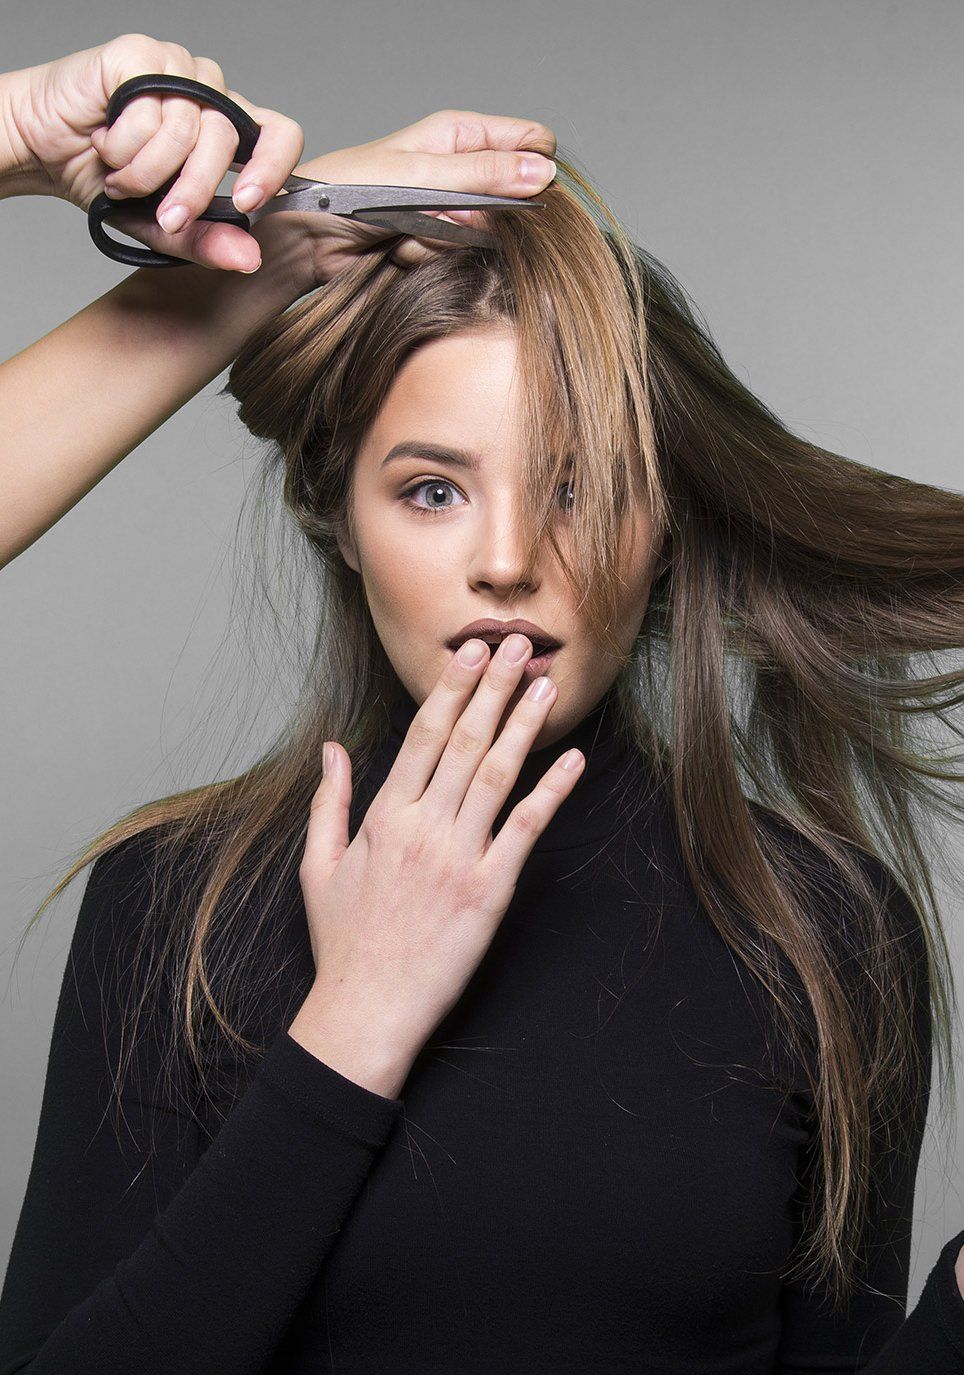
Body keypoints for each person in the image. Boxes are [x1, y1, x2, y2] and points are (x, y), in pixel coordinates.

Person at [1, 31, 963, 1375]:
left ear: (667, 523)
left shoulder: (825, 932)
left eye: (575, 484)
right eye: (432, 490)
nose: (507, 559)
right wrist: (352, 1030)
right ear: (337, 514)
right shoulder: (174, 903)